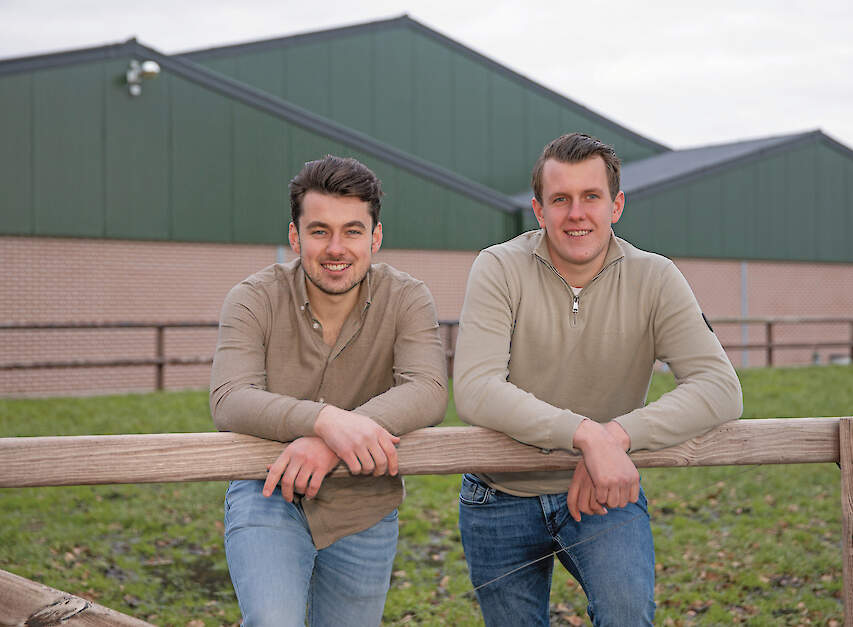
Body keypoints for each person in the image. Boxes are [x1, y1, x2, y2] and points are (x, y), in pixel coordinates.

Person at [453, 132, 743, 626]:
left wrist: (615, 439)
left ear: (616, 205)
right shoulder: (498, 267)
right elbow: (476, 390)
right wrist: (586, 434)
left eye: (592, 197)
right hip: (498, 493)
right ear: (539, 210)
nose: (576, 213)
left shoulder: (656, 278)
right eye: (560, 199)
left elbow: (719, 388)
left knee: (628, 615)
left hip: (606, 490)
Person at [210, 155, 448, 626]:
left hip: (364, 505)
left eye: (353, 231)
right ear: (295, 237)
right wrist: (326, 421)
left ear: (375, 238)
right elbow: (230, 398)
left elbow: (429, 389)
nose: (336, 247)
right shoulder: (253, 297)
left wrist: (327, 445)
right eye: (319, 231)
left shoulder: (407, 297)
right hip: (268, 491)